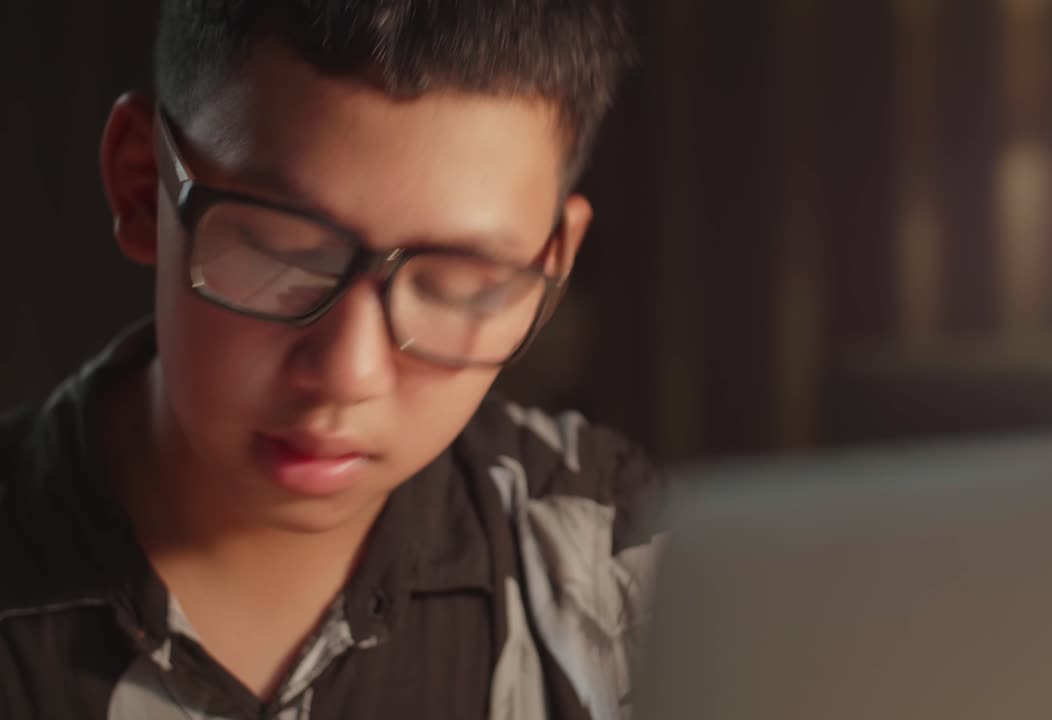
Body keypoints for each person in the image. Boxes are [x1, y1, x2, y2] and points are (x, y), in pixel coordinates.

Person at [0, 1, 666, 718]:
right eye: (277, 249)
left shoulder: (618, 559)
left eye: (456, 282)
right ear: (141, 187)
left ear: (553, 264)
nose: (349, 374)